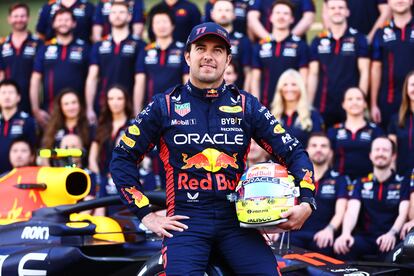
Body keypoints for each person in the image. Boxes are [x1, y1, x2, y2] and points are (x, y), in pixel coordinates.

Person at [111, 22, 316, 275]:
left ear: (228, 59)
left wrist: (306, 202)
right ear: (188, 56)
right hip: (186, 224)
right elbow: (122, 157)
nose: (208, 55)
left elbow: (294, 152)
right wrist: (145, 214)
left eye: (218, 50)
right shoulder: (163, 106)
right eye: (201, 48)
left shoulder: (246, 106)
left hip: (237, 222)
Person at [334, 137, 409, 260]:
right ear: (370, 155)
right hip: (366, 238)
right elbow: (352, 212)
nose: (380, 153)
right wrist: (345, 233)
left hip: (392, 237)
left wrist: (391, 234)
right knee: (343, 247)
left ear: (393, 156)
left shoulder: (402, 182)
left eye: (385, 150)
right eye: (377, 149)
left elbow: (403, 214)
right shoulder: (361, 182)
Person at [308, 0, 370, 128]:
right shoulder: (317, 40)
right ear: (327, 12)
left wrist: (359, 101)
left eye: (341, 8)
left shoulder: (359, 39)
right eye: (333, 8)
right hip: (324, 104)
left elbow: (365, 71)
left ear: (347, 12)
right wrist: (309, 104)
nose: (337, 11)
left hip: (350, 103)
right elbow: (313, 74)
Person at [290, 133, 350, 255]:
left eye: (323, 146)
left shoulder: (340, 179)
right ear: (306, 151)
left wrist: (329, 230)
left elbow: (341, 211)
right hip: (294, 235)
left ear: (331, 152)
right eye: (314, 145)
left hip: (322, 237)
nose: (318, 149)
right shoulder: (293, 178)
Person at [85, 2, 145, 123]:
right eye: (114, 12)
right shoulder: (99, 45)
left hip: (129, 104)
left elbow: (140, 80)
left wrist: (137, 109)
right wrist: (89, 108)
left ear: (129, 16)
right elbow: (92, 78)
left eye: (122, 12)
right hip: (104, 104)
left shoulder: (139, 45)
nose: (117, 15)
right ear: (109, 16)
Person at [30, 8, 90, 128]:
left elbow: (92, 79)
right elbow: (35, 80)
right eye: (59, 20)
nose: (63, 23)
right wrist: (36, 109)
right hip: (50, 112)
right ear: (53, 24)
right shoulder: (44, 49)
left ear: (74, 23)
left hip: (77, 111)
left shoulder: (85, 48)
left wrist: (89, 108)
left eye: (67, 20)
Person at [250, 0, 309, 108]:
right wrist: (256, 107)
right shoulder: (259, 46)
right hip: (265, 106)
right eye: (277, 13)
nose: (281, 17)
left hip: (290, 108)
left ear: (292, 19)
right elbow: (255, 80)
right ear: (271, 17)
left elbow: (303, 79)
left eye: (285, 14)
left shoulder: (301, 45)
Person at [134, 5, 189, 113]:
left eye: (164, 21)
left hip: (177, 110)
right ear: (152, 26)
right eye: (157, 22)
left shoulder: (183, 50)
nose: (161, 26)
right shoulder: (145, 51)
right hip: (150, 109)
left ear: (172, 25)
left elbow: (187, 81)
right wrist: (137, 111)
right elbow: (139, 82)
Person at [371, 0, 414, 129]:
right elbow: (376, 68)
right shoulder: (381, 33)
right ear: (388, 2)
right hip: (389, 100)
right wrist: (373, 104)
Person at [89, 85, 133, 210]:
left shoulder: (134, 126)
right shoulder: (101, 125)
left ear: (126, 101)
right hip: (102, 177)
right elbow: (92, 158)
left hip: (124, 179)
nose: (115, 103)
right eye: (111, 99)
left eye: (119, 98)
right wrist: (100, 180)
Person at [327, 87, 383, 180]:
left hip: (367, 184)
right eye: (350, 99)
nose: (354, 102)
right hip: (339, 184)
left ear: (365, 104)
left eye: (359, 99)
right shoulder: (333, 131)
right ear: (343, 104)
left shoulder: (376, 131)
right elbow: (328, 160)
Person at [0, 3, 43, 114]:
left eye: (22, 16)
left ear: (28, 18)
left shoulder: (38, 43)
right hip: (8, 101)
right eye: (15, 16)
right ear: (9, 19)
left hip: (33, 102)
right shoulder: (2, 45)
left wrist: (36, 107)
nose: (19, 19)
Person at [270, 69, 324, 146]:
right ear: (280, 89)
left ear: (301, 88)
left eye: (294, 84)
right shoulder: (272, 115)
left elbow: (317, 144)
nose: (289, 88)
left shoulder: (312, 115)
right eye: (285, 84)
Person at [210, 0, 252, 90]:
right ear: (212, 14)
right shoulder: (205, 40)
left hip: (236, 94)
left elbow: (248, 72)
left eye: (227, 10)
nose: (223, 13)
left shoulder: (243, 40)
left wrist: (244, 97)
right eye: (220, 10)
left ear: (234, 15)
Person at [0, 80, 36, 174]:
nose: (7, 96)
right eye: (3, 93)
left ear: (18, 97)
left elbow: (33, 150)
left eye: (11, 92)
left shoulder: (27, 121)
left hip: (19, 176)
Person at [322, 0, 390, 43]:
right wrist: (332, 39)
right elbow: (326, 13)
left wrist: (370, 38)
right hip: (344, 43)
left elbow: (385, 12)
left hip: (371, 40)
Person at [248, 0, 315, 40]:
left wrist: (289, 39)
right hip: (265, 46)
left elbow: (308, 17)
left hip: (295, 46)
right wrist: (269, 39)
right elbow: (252, 18)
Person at [388, 71, 414, 176]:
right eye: (412, 85)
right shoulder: (396, 119)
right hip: (402, 177)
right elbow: (391, 152)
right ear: (406, 89)